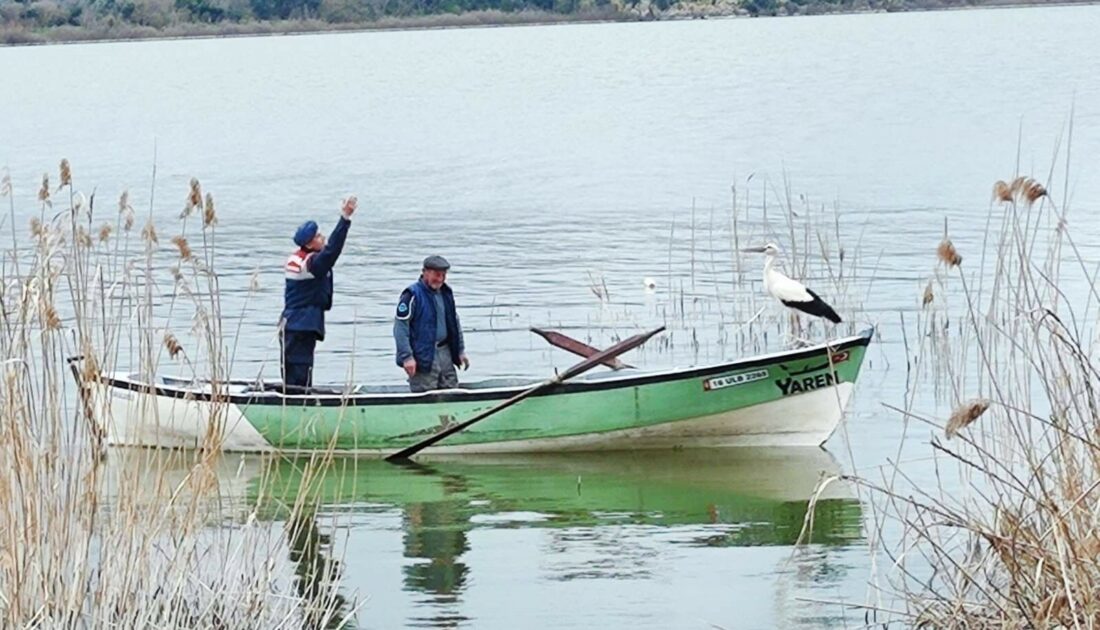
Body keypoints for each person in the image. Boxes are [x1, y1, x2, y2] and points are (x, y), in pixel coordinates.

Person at [280, 197, 357, 388]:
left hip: (298, 323)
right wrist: (344, 219)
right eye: (318, 236)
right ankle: (297, 405)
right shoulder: (307, 264)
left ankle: (298, 398)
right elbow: (331, 252)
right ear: (309, 243)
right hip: (300, 325)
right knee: (298, 374)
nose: (322, 238)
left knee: (300, 371)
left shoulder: (300, 258)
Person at [394, 255, 469, 392]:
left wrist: (460, 350)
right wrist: (407, 357)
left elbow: (454, 322)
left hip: (445, 353)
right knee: (425, 394)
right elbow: (401, 328)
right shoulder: (411, 295)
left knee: (452, 391)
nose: (440, 279)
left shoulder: (446, 293)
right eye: (436, 275)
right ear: (425, 272)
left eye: (443, 275)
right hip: (423, 355)